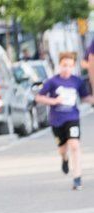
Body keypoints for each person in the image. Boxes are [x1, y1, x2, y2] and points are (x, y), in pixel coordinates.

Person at [35, 51, 94, 190]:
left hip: (72, 117)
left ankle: (77, 178)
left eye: (69, 66)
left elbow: (85, 98)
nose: (66, 68)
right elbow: (39, 97)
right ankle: (64, 158)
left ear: (73, 67)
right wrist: (54, 101)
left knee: (75, 145)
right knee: (62, 148)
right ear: (59, 65)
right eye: (64, 65)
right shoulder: (52, 81)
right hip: (57, 120)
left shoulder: (77, 81)